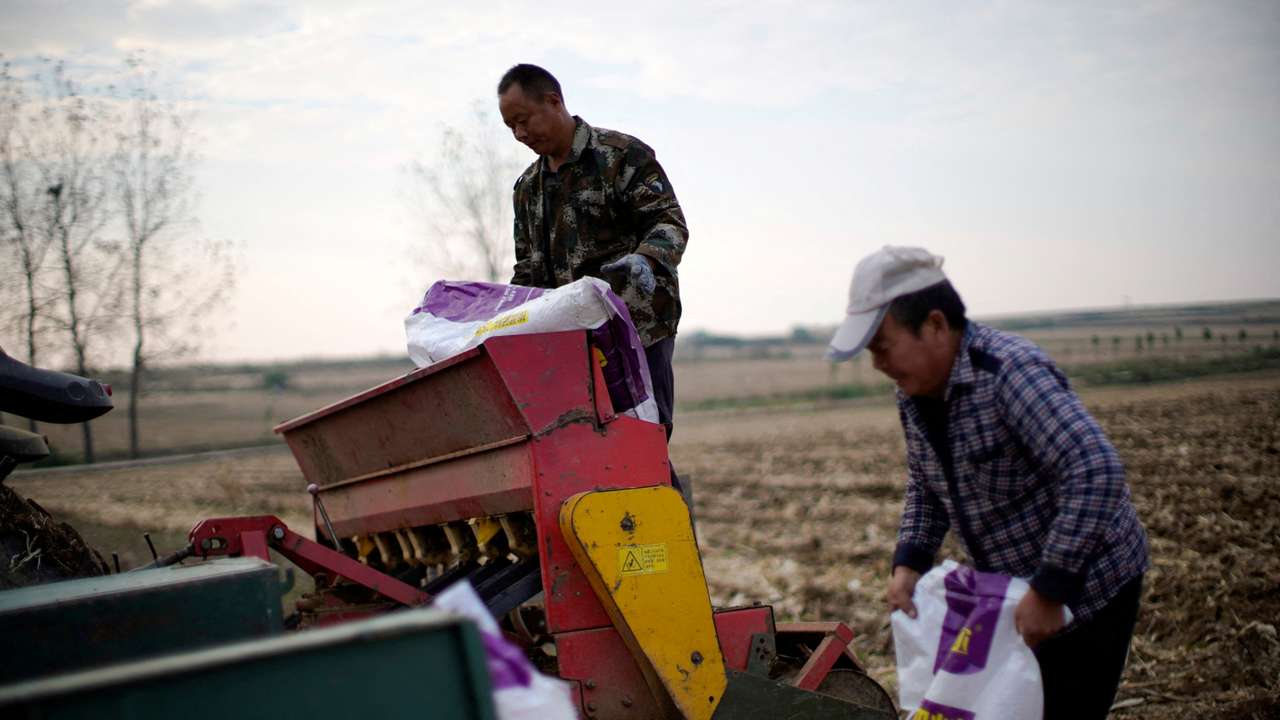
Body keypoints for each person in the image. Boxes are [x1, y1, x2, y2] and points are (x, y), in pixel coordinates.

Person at [827, 246, 1149, 720]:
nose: (878, 364)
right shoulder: (914, 395)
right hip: (1015, 593)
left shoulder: (1009, 374)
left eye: (882, 346)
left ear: (935, 325)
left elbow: (1093, 469)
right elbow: (925, 481)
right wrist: (909, 562)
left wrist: (1050, 589)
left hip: (1089, 588)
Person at [496, 63, 691, 500]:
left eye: (523, 121)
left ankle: (672, 555)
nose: (520, 135)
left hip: (635, 330)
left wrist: (645, 261)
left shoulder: (621, 156)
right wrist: (505, 319)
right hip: (567, 346)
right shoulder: (527, 188)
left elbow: (669, 224)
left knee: (643, 445)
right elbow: (527, 269)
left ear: (554, 101)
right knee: (583, 454)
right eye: (510, 127)